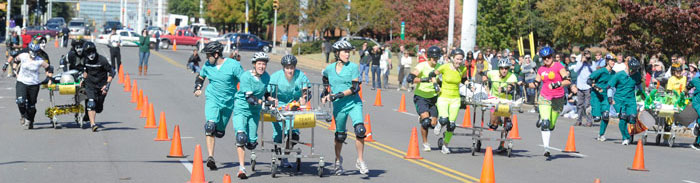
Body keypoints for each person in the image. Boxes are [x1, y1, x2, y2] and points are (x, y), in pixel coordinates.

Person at [193, 42, 244, 171]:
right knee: (210, 126)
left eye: (208, 55)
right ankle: (210, 157)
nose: (206, 57)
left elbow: (244, 81)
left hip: (228, 102)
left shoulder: (233, 65)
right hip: (212, 99)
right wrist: (198, 87)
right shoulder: (207, 65)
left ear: (216, 54)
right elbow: (200, 77)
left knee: (219, 132)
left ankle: (219, 129)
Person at [321, 40, 369, 175]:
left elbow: (355, 88)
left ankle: (360, 160)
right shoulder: (330, 68)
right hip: (339, 106)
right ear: (337, 53)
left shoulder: (353, 67)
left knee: (360, 130)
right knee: (340, 136)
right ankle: (337, 161)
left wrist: (337, 95)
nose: (347, 54)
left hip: (353, 103)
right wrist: (325, 93)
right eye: (345, 52)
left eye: (348, 52)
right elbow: (324, 78)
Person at [233, 52, 276, 179]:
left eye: (264, 64)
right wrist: (263, 103)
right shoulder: (246, 76)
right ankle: (241, 168)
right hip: (241, 108)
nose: (262, 66)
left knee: (251, 143)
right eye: (259, 64)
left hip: (255, 112)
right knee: (241, 137)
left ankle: (250, 146)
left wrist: (271, 99)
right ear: (254, 64)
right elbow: (250, 98)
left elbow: (266, 92)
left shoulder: (266, 77)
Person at [268, 54, 311, 168]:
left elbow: (306, 91)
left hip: (293, 106)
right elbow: (267, 93)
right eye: (287, 68)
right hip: (279, 106)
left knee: (294, 135)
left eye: (292, 67)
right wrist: (271, 100)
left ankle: (285, 156)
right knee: (278, 134)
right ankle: (277, 151)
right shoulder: (276, 77)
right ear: (283, 68)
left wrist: (304, 98)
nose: (290, 70)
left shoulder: (300, 75)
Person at [529, 46, 571, 157]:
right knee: (546, 124)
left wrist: (558, 84)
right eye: (544, 58)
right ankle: (546, 149)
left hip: (558, 98)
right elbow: (536, 83)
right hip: (545, 97)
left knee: (551, 125)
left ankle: (542, 117)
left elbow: (567, 80)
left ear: (552, 56)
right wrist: (527, 84)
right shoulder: (541, 69)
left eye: (548, 57)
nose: (546, 59)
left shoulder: (558, 66)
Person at [431, 49, 468, 154]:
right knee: (443, 120)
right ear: (452, 58)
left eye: (461, 59)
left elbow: (464, 79)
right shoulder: (445, 67)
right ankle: (439, 124)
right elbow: (432, 75)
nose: (459, 61)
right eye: (457, 59)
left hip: (455, 99)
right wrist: (435, 85)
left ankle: (445, 145)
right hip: (443, 97)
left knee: (451, 125)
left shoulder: (463, 69)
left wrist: (469, 85)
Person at [406, 45, 441, 152]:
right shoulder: (422, 65)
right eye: (434, 58)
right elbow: (410, 78)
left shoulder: (439, 67)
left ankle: (423, 117)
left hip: (434, 98)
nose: (436, 60)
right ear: (429, 57)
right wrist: (424, 79)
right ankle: (425, 143)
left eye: (437, 58)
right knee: (426, 122)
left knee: (433, 123)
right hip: (421, 97)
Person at [15, 42, 54, 129]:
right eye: (32, 51)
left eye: (35, 52)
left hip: (34, 84)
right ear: (29, 51)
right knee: (20, 101)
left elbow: (49, 67)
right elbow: (16, 60)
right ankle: (23, 116)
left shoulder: (39, 60)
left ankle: (31, 120)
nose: (33, 54)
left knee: (31, 106)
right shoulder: (23, 56)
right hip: (22, 82)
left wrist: (49, 79)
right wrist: (15, 70)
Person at [483, 58, 518, 152]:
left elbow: (511, 87)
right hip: (494, 100)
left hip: (506, 101)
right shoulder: (493, 73)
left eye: (506, 68)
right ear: (499, 68)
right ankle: (497, 120)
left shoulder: (512, 76)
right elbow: (484, 74)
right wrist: (485, 81)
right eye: (502, 68)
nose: (504, 70)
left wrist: (504, 90)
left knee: (508, 125)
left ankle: (501, 144)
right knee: (493, 125)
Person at [80, 42, 114, 132]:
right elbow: (85, 71)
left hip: (102, 85)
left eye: (92, 52)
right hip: (90, 85)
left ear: (95, 51)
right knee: (91, 104)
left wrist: (107, 85)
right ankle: (93, 124)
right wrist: (82, 80)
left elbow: (112, 72)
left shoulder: (102, 60)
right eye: (88, 53)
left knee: (99, 108)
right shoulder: (85, 60)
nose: (90, 55)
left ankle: (95, 111)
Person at [608, 57, 642, 145]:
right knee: (623, 118)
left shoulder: (637, 75)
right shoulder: (619, 75)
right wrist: (610, 98)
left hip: (631, 100)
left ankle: (629, 135)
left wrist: (642, 94)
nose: (634, 72)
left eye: (635, 70)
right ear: (628, 67)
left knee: (632, 119)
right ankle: (626, 137)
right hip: (619, 100)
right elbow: (610, 87)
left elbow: (639, 85)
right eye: (633, 70)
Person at [590, 55, 616, 141]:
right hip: (596, 95)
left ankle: (601, 134)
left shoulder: (614, 73)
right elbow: (589, 80)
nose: (613, 62)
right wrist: (596, 87)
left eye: (614, 61)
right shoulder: (601, 71)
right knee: (597, 118)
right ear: (607, 61)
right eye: (611, 60)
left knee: (605, 115)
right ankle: (593, 111)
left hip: (606, 96)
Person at [573, 50, 595, 126]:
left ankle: (589, 121)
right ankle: (579, 120)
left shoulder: (592, 63)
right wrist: (582, 61)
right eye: (585, 55)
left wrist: (589, 63)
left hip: (587, 86)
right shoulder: (580, 62)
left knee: (587, 105)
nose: (587, 57)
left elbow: (594, 71)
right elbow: (575, 70)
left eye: (588, 55)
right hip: (580, 86)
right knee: (579, 104)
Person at [685, 76, 700, 150]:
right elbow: (687, 87)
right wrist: (684, 94)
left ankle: (697, 143)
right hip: (697, 103)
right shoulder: (695, 80)